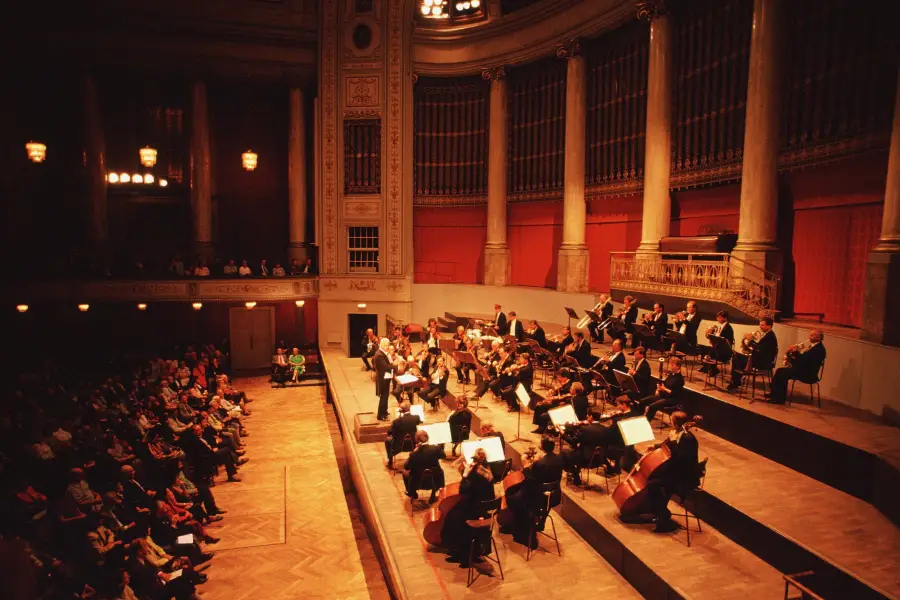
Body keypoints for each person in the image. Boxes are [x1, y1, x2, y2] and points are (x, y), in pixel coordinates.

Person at [640, 411, 702, 533]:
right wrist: (656, 446)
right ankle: (661, 511)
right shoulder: (678, 433)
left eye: (672, 421)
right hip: (677, 471)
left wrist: (673, 442)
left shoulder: (687, 438)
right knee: (655, 481)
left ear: (675, 423)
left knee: (653, 484)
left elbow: (680, 459)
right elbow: (669, 447)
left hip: (684, 477)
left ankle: (663, 515)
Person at [504, 436, 563, 548]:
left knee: (512, 499)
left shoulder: (540, 464)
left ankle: (525, 533)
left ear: (542, 447)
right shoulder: (558, 459)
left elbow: (530, 480)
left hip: (538, 497)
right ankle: (537, 523)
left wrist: (526, 466)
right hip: (554, 495)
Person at [442, 449, 496, 567]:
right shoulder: (488, 471)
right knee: (455, 514)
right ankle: (475, 551)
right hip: (485, 512)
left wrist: (465, 474)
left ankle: (462, 555)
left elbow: (462, 490)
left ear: (474, 461)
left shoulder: (473, 474)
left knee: (451, 518)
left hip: (473, 512)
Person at [766, 330, 826, 404]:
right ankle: (774, 394)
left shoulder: (819, 349)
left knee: (782, 373)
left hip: (807, 373)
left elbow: (804, 361)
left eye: (812, 335)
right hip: (803, 369)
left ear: (818, 338)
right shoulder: (814, 346)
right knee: (780, 371)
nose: (809, 337)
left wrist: (795, 352)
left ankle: (779, 399)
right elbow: (804, 360)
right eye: (810, 335)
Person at [729, 317, 778, 390]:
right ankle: (735, 381)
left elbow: (760, 350)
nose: (760, 327)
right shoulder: (767, 334)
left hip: (763, 362)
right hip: (760, 358)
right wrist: (750, 343)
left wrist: (750, 342)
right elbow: (760, 347)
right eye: (760, 325)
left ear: (769, 326)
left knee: (737, 358)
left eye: (762, 325)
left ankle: (735, 381)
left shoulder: (770, 336)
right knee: (736, 357)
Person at [401, 430, 445, 502]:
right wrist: (438, 446)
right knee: (440, 471)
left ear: (417, 440)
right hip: (434, 481)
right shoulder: (435, 449)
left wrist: (414, 451)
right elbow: (443, 455)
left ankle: (412, 493)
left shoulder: (414, 454)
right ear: (427, 438)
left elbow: (406, 467)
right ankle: (435, 492)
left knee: (405, 473)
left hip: (418, 483)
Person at [639, 356, 686, 422]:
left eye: (672, 365)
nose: (670, 366)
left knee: (652, 407)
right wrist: (659, 389)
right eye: (670, 364)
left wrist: (664, 389)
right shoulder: (671, 375)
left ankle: (646, 422)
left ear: (678, 366)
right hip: (663, 396)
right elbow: (664, 384)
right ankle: (638, 417)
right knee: (642, 401)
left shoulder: (680, 379)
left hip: (671, 399)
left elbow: (674, 393)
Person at [385, 401, 421, 468]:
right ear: (409, 409)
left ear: (401, 410)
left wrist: (399, 417)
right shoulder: (416, 418)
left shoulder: (396, 421)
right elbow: (418, 422)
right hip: (413, 444)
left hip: (399, 446)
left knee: (388, 440)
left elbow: (391, 433)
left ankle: (390, 461)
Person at [698, 310, 734, 376]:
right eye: (718, 317)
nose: (718, 319)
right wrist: (710, 334)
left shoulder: (727, 328)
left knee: (710, 351)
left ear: (725, 318)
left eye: (720, 317)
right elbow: (717, 338)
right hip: (719, 347)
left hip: (724, 351)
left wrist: (713, 339)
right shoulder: (721, 326)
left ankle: (713, 369)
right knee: (702, 347)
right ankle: (706, 367)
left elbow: (722, 341)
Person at [373, 338, 393, 421]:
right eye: (386, 345)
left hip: (386, 377)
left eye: (388, 345)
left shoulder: (382, 353)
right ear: (382, 345)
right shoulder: (379, 355)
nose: (388, 347)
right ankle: (381, 415)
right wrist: (396, 367)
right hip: (383, 379)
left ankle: (384, 411)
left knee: (386, 396)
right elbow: (386, 367)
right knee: (383, 397)